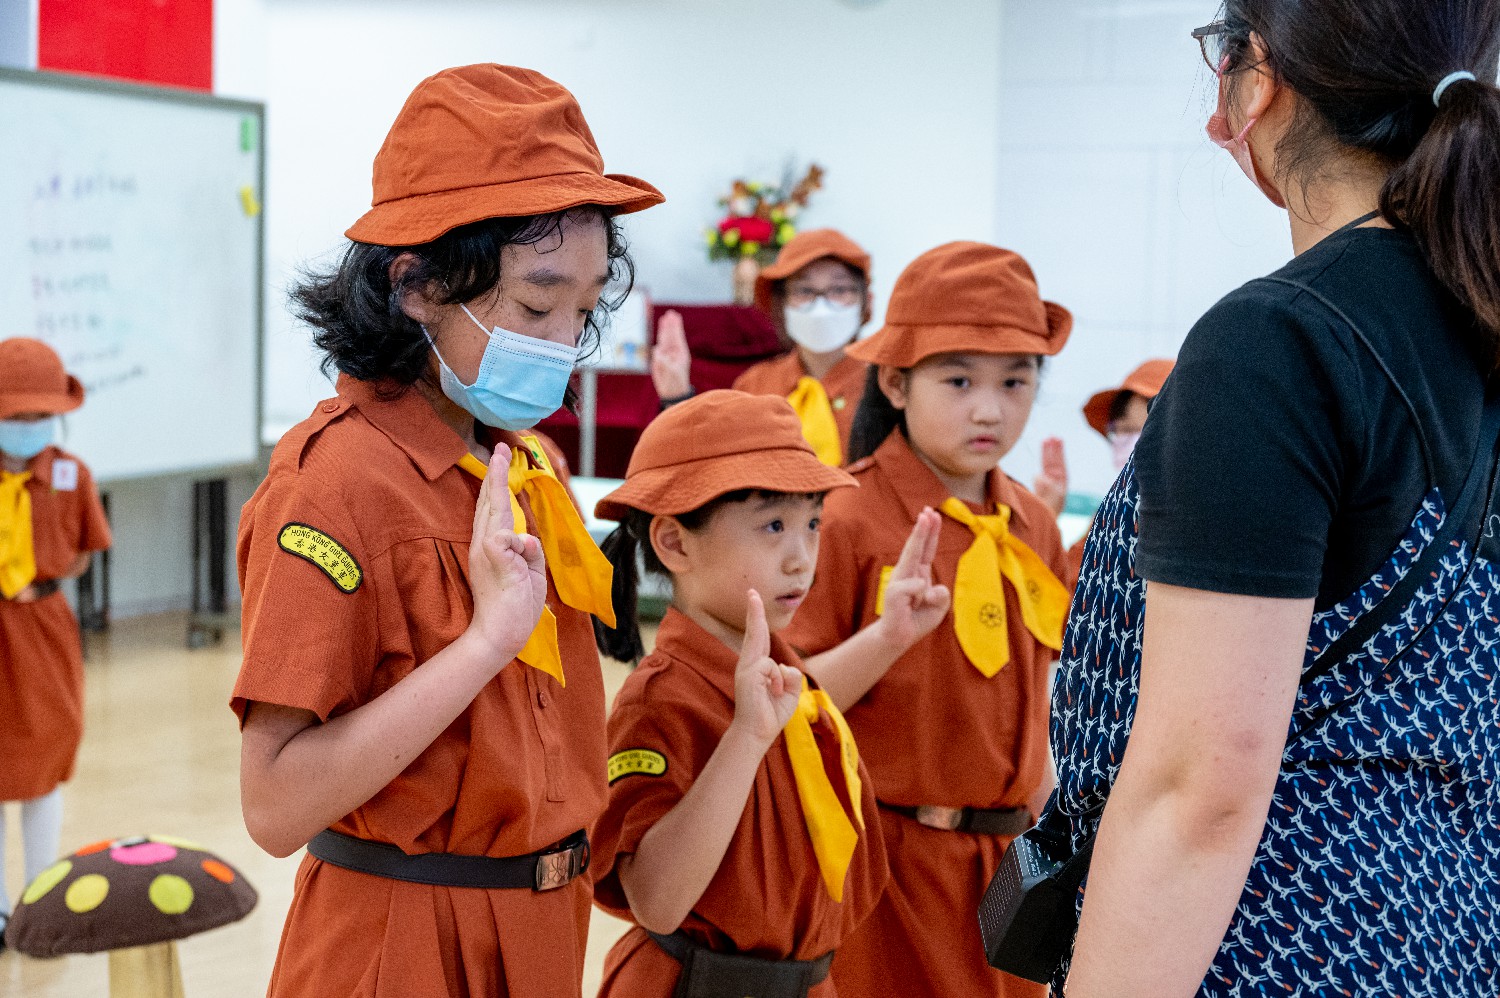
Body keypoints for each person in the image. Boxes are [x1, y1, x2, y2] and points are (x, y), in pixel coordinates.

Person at [1049, 3, 1500, 996]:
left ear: (1255, 77)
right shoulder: (1477, 311)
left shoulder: (1280, 341)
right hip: (1453, 935)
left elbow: (1197, 792)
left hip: (1278, 943)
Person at [232, 64, 661, 998]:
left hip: (542, 927)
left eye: (585, 309)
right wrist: (482, 647)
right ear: (416, 285)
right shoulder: (334, 485)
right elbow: (275, 804)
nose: (563, 343)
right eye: (535, 305)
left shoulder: (525, 465)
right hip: (404, 939)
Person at [588, 390, 950, 997]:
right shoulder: (661, 699)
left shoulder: (774, 671)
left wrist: (890, 636)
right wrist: (745, 738)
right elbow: (656, 900)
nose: (801, 558)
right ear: (674, 543)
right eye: (773, 526)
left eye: (812, 524)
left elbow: (807, 705)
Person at [786, 241, 1074, 998]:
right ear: (895, 382)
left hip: (1007, 874)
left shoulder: (1032, 525)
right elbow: (788, 703)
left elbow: (1037, 698)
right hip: (883, 869)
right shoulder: (843, 517)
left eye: (1016, 381)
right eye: (958, 380)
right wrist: (886, 639)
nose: (990, 409)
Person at [0, 338, 111, 950]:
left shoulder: (72, 475)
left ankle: (39, 900)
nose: (29, 426)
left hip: (42, 625)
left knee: (44, 756)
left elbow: (86, 549)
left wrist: (38, 575)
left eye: (40, 415)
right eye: (15, 416)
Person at [651, 229, 873, 465]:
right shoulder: (755, 385)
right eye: (804, 290)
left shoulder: (883, 385)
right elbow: (720, 467)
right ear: (781, 302)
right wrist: (677, 397)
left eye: (839, 289)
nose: (821, 306)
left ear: (865, 301)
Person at [1065, 359, 1174, 588]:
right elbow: (1069, 587)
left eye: (1139, 431)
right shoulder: (1112, 515)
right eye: (1121, 432)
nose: (1128, 443)